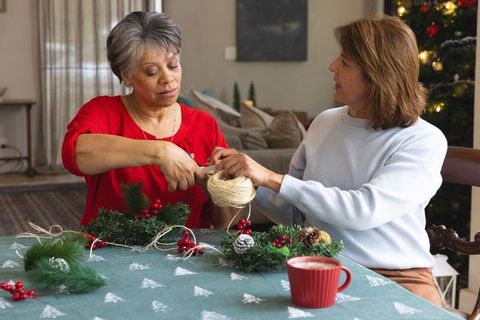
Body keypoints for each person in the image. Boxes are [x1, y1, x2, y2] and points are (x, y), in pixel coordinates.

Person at [209, 15, 447, 306]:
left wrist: (270, 177)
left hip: (398, 276)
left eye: (345, 62)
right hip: (318, 267)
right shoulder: (325, 122)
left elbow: (363, 210)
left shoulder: (423, 140)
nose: (332, 66)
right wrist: (248, 178)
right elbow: (294, 215)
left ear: (378, 75)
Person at [62, 11, 235, 229]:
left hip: (183, 254)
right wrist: (161, 152)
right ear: (126, 75)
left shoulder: (204, 124)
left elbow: (224, 224)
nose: (168, 78)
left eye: (173, 66)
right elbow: (75, 154)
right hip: (110, 251)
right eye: (152, 72)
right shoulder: (103, 112)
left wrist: (226, 186)